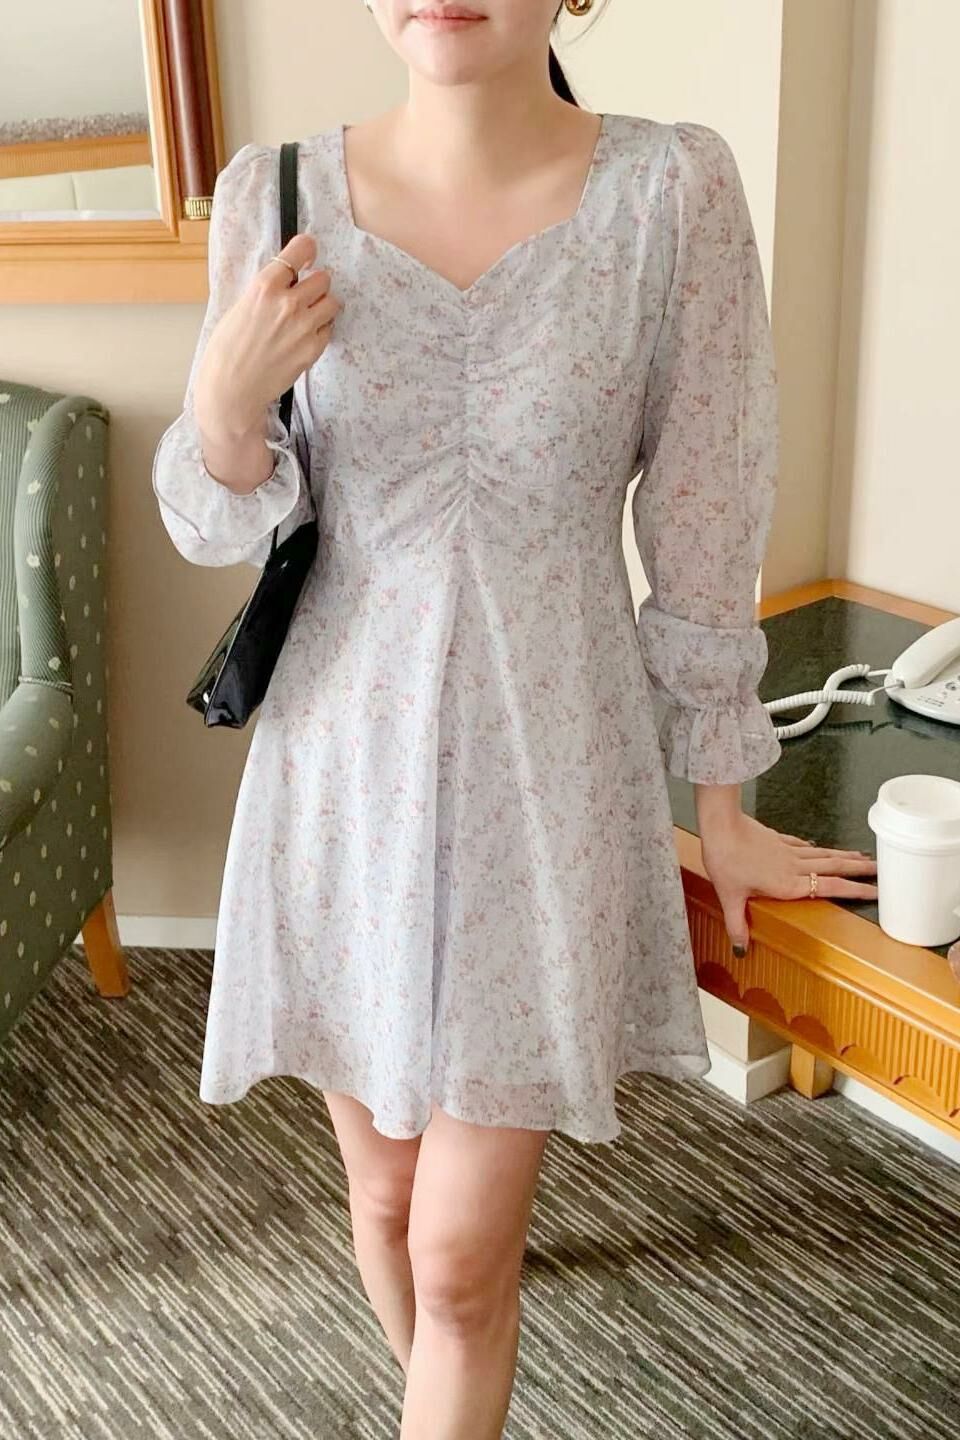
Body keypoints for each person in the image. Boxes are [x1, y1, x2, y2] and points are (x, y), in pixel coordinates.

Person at [151, 1, 879, 1434]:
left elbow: (708, 508)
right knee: (386, 1198)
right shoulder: (273, 195)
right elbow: (222, 516)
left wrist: (722, 804)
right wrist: (223, 406)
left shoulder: (670, 192)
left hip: (548, 775)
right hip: (343, 771)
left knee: (463, 1261)